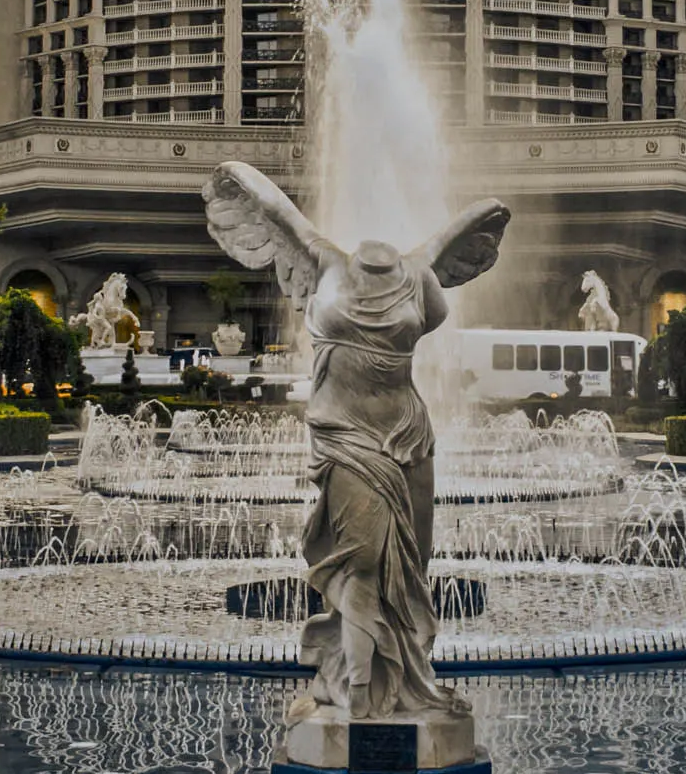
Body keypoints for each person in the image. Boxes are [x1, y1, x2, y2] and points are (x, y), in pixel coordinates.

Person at [202, 159, 509, 719]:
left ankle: (409, 678)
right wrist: (239, 174)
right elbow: (274, 209)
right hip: (345, 434)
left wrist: (482, 213)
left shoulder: (418, 274)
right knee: (363, 558)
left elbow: (438, 304)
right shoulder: (325, 261)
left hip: (409, 433)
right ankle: (359, 687)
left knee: (413, 561)